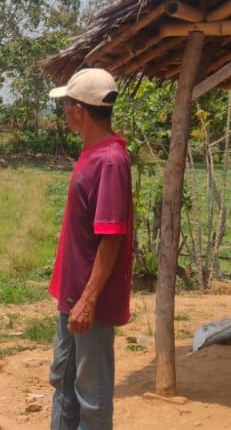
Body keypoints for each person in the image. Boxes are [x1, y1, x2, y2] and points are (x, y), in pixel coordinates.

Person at [46, 68, 133, 430]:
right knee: (63, 381)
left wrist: (88, 300)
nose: (65, 111)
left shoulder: (110, 161)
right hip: (74, 294)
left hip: (89, 301)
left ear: (79, 110)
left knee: (91, 396)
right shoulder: (93, 152)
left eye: (66, 104)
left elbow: (111, 237)